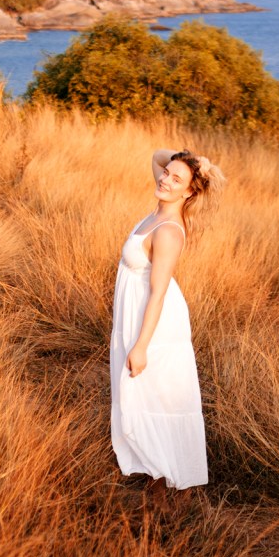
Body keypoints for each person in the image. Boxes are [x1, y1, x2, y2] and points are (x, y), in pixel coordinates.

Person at [110, 148, 223, 491]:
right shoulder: (161, 206)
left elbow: (158, 292)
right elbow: (158, 157)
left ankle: (166, 477)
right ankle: (150, 467)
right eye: (166, 173)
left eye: (177, 179)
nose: (165, 179)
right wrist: (190, 162)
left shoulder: (169, 231)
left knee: (154, 392)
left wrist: (141, 345)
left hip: (154, 320)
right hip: (135, 310)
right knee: (141, 391)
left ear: (189, 192)